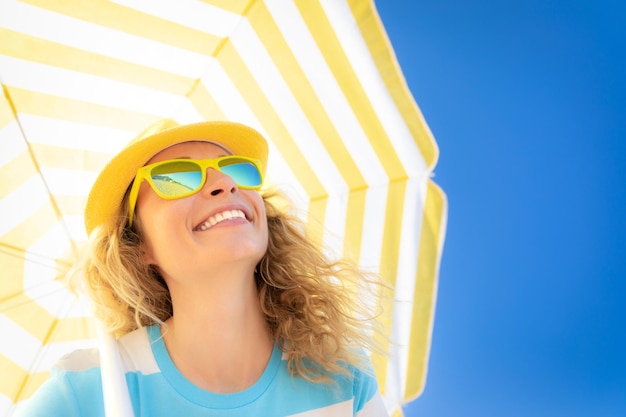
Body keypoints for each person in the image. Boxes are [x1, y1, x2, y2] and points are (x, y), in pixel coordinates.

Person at [18, 120, 389, 416]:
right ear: (138, 245)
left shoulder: (344, 379)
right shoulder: (84, 393)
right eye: (175, 177)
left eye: (237, 170)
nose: (224, 183)